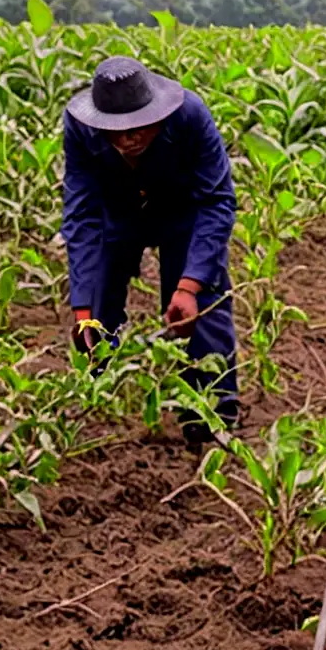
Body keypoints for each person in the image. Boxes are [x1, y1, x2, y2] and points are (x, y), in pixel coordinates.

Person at [61, 55, 240, 445]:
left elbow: (218, 201)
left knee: (201, 310)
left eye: (140, 126)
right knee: (96, 310)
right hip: (116, 214)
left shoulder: (190, 115)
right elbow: (82, 214)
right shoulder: (79, 127)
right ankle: (100, 408)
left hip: (184, 214)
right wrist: (82, 308)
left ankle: (210, 419)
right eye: (117, 130)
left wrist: (189, 286)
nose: (130, 138)